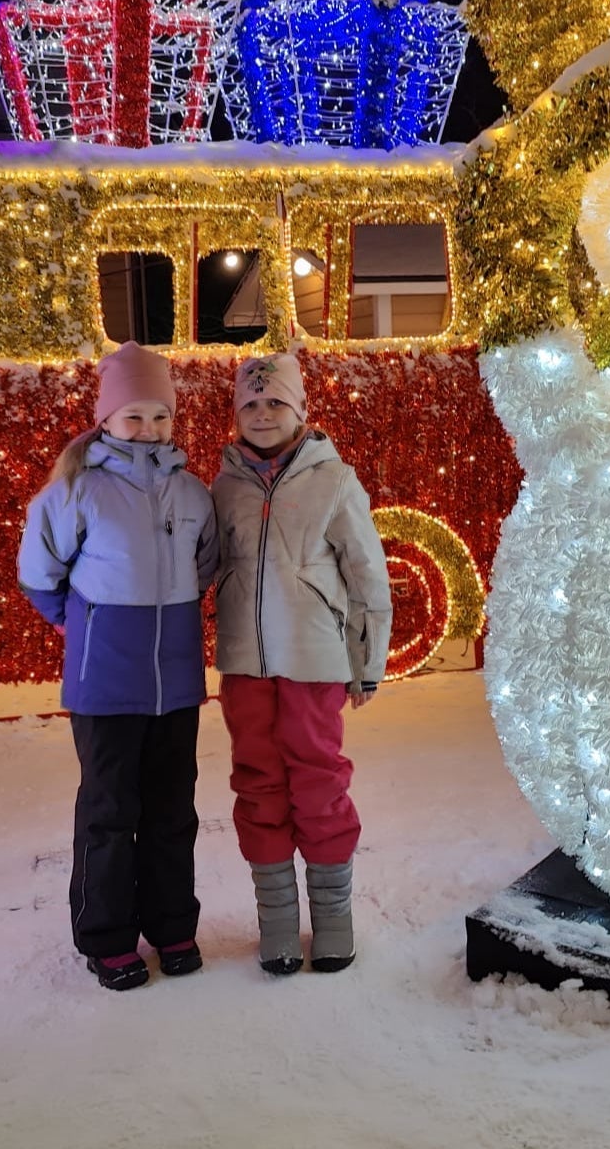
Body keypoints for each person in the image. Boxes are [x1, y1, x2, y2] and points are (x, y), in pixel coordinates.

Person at [18, 342, 218, 991]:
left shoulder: (193, 492)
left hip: (177, 684)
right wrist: (82, 630)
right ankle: (106, 938)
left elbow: (207, 565)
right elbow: (39, 573)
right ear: (105, 419)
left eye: (159, 416)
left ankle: (172, 926)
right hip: (106, 687)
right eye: (134, 416)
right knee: (110, 812)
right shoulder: (76, 492)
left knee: (172, 810)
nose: (149, 429)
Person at [212, 352, 392, 974]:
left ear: (301, 411)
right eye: (250, 405)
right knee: (258, 785)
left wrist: (367, 661)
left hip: (315, 661)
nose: (262, 415)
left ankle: (334, 918)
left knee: (318, 781)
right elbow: (204, 563)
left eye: (275, 403)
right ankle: (279, 923)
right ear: (236, 414)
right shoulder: (224, 482)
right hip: (245, 664)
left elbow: (368, 575)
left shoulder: (334, 480)